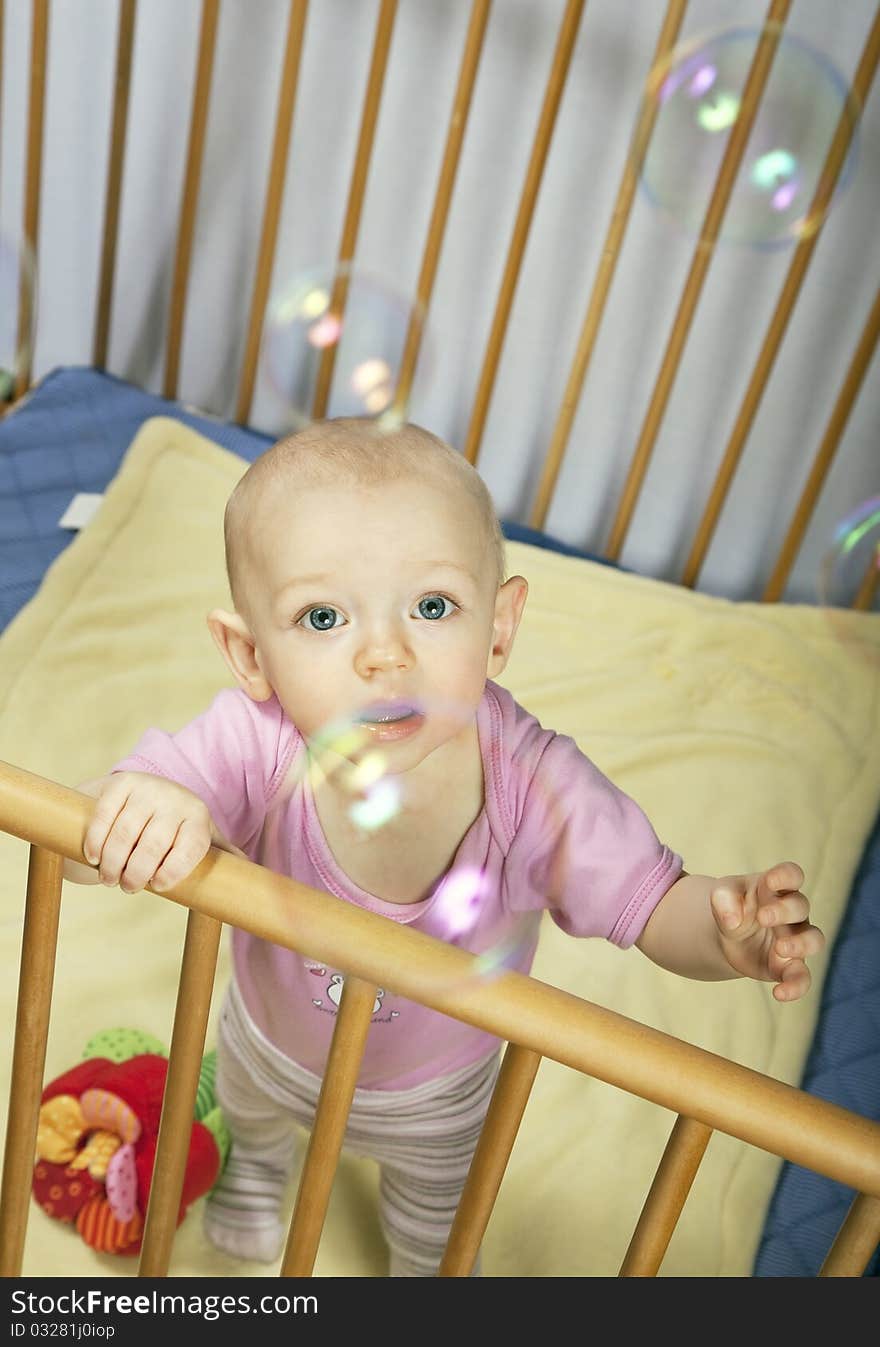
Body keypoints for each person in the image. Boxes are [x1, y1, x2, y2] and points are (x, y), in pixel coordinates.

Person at [62, 416, 825, 1276]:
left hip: (437, 1092)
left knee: (434, 1229)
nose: (386, 654)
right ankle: (254, 1186)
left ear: (499, 627)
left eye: (432, 606)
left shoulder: (533, 784)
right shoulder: (258, 741)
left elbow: (651, 905)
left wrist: (724, 933)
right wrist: (140, 812)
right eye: (322, 616)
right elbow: (74, 840)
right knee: (255, 1124)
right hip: (268, 1042)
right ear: (250, 654)